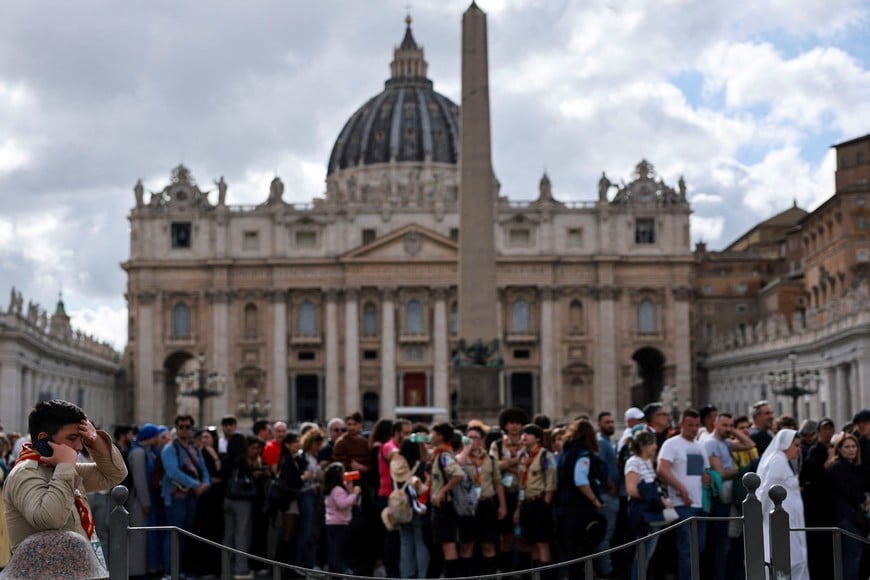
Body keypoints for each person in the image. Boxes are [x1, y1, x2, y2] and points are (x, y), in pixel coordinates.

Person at [3, 399, 128, 569]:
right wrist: (65, 467)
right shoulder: (25, 473)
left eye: (81, 438)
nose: (78, 446)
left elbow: (114, 474)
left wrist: (95, 441)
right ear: (43, 439)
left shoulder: (62, 468)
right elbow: (49, 519)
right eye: (72, 438)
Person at [656, 408, 709, 580]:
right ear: (681, 425)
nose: (694, 428)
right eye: (690, 425)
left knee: (699, 548)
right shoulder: (671, 444)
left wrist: (707, 478)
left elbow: (703, 471)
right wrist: (681, 489)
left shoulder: (700, 446)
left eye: (696, 425)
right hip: (682, 505)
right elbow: (662, 469)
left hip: (701, 505)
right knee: (686, 549)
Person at [702, 412, 755, 580]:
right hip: (720, 498)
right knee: (722, 543)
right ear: (715, 424)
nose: (727, 429)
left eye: (730, 425)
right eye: (724, 425)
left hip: (728, 494)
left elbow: (750, 444)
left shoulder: (725, 442)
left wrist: (733, 431)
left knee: (729, 541)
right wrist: (740, 472)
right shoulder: (711, 443)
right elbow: (720, 473)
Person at [160, 414, 210, 579]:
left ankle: (179, 570)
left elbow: (203, 468)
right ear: (176, 427)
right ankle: (169, 572)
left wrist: (206, 483)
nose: (184, 429)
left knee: (185, 535)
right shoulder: (170, 448)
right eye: (181, 426)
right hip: (176, 498)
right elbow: (173, 471)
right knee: (173, 535)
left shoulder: (193, 448)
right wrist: (197, 485)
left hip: (191, 498)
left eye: (187, 427)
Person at [757, 428, 808, 580]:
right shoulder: (778, 460)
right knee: (792, 557)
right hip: (782, 517)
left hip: (790, 516)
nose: (799, 449)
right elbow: (767, 488)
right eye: (796, 445)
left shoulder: (783, 460)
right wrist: (760, 511)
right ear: (786, 444)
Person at [557, 419, 604, 579]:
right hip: (580, 507)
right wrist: (594, 500)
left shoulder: (565, 451)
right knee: (583, 548)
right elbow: (581, 480)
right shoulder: (583, 453)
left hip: (566, 505)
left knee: (571, 549)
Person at [456, 424, 504, 576]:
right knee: (466, 545)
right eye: (469, 437)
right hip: (467, 506)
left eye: (476, 438)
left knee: (488, 544)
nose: (472, 441)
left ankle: (490, 574)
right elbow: (457, 469)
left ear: (482, 440)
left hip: (485, 503)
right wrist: (466, 450)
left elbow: (497, 482)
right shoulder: (460, 456)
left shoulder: (489, 458)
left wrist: (502, 505)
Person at [624, 430, 669, 580]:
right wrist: (654, 500)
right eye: (653, 443)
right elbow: (631, 489)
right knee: (643, 554)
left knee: (648, 554)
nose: (656, 446)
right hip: (643, 513)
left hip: (652, 511)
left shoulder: (647, 462)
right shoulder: (634, 462)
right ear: (644, 445)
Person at [490, 406, 528, 574]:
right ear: (505, 425)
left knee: (523, 537)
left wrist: (507, 464)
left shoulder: (528, 443)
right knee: (505, 536)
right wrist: (514, 462)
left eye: (518, 423)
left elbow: (527, 468)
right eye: (511, 423)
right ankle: (506, 571)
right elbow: (494, 467)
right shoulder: (497, 444)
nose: (514, 427)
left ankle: (522, 571)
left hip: (524, 493)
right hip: (504, 494)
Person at [518, 423, 557, 580]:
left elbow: (551, 479)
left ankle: (546, 575)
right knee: (531, 542)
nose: (524, 437)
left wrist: (546, 501)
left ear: (537, 438)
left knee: (542, 541)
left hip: (539, 502)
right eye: (523, 434)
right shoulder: (522, 456)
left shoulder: (544, 455)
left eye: (528, 434)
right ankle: (535, 574)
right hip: (526, 502)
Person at [828, 433, 869, 580]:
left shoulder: (853, 467)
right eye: (847, 447)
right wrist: (865, 498)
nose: (851, 450)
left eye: (854, 446)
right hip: (845, 517)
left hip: (853, 516)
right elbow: (848, 491)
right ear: (839, 449)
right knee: (853, 554)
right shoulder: (838, 467)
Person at [429, 421, 466, 578]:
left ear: (440, 436)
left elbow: (458, 474)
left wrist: (442, 492)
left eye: (434, 433)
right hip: (441, 506)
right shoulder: (438, 453)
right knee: (444, 544)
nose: (431, 436)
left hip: (445, 505)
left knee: (449, 545)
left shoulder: (444, 456)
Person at [221, 432, 255, 579]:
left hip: (227, 499)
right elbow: (249, 478)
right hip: (241, 500)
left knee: (228, 534)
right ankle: (241, 569)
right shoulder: (242, 460)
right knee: (241, 534)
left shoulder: (226, 459)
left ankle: (225, 568)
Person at [323, 462, 361, 577]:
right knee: (338, 551)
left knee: (334, 550)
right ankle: (336, 574)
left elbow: (345, 498)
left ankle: (333, 572)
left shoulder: (331, 489)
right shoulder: (337, 490)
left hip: (331, 523)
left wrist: (349, 486)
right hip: (340, 524)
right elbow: (342, 503)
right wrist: (355, 494)